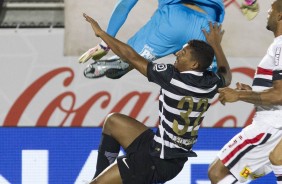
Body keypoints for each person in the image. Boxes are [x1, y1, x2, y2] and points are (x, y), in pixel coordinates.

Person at [82, 12, 231, 183]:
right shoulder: (211, 82)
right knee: (113, 122)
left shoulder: (173, 77)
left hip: (156, 161)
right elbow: (226, 76)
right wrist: (216, 45)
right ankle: (98, 177)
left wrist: (102, 34)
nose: (177, 54)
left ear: (194, 64)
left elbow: (131, 56)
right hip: (161, 150)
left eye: (183, 53)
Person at [79, 0, 258, 80]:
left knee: (131, 58)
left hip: (172, 21)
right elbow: (250, 3)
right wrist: (250, 3)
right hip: (205, 27)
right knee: (213, 80)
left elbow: (125, 4)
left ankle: (121, 63)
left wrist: (106, 41)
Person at [208, 0, 282, 183]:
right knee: (244, 175)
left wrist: (239, 95)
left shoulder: (281, 46)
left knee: (217, 173)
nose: (268, 12)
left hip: (268, 128)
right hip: (273, 128)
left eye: (271, 9)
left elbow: (279, 95)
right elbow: (274, 91)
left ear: (280, 15)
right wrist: (253, 92)